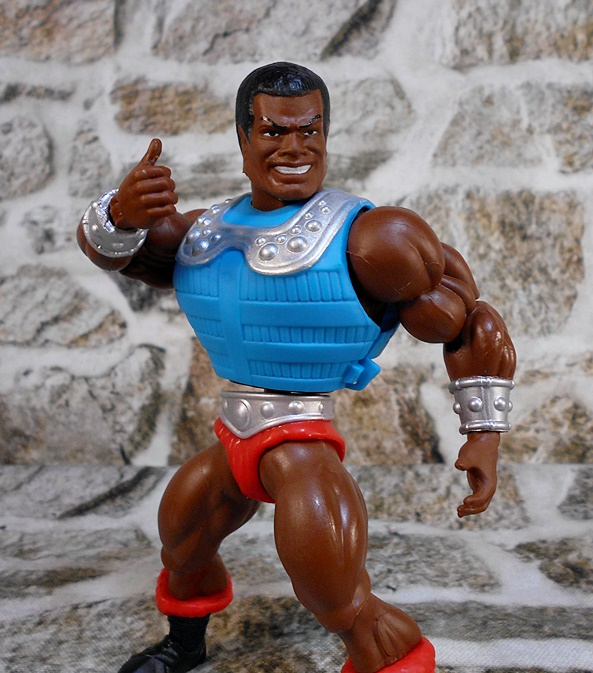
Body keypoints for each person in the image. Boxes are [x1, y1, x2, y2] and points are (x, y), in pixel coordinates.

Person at [78, 62, 516, 673]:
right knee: (181, 540)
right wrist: (121, 213)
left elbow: (469, 321)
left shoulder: (373, 238)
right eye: (273, 132)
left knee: (333, 592)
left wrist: (484, 434)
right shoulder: (205, 232)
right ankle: (184, 645)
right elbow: (118, 252)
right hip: (234, 433)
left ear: (326, 135)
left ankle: (394, 660)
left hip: (303, 443)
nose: (294, 148)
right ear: (243, 138)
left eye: (309, 131)